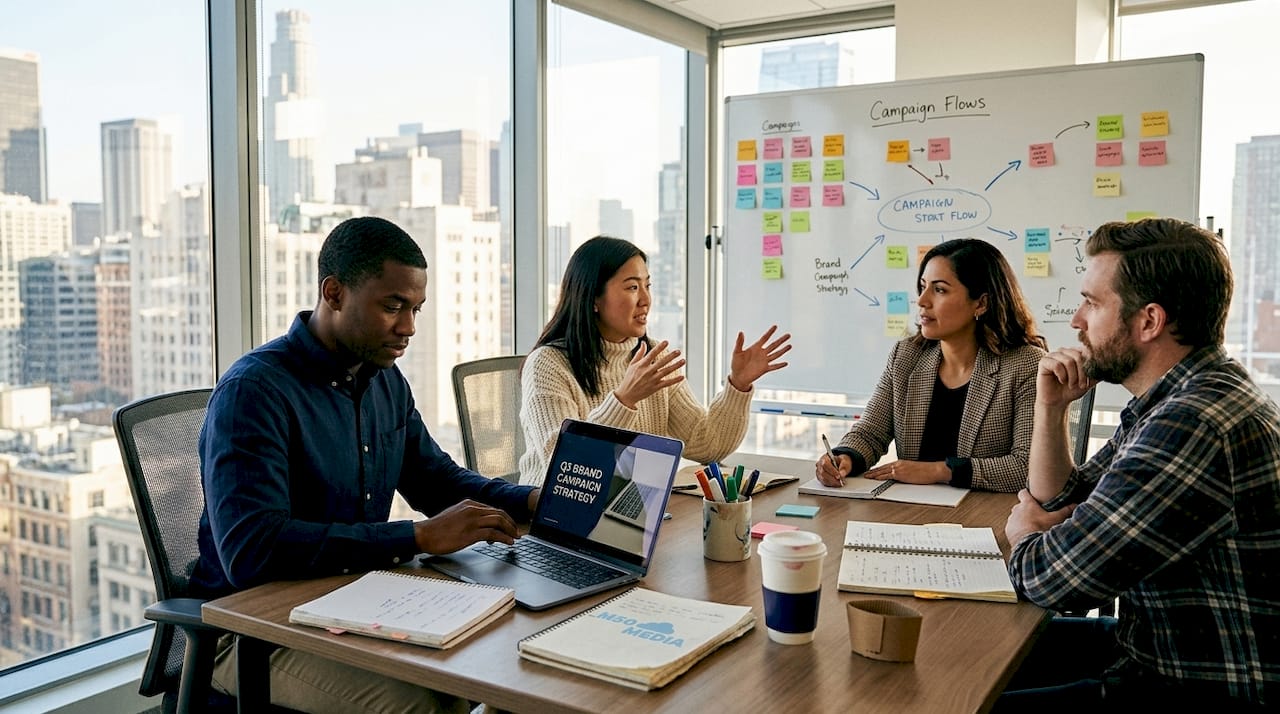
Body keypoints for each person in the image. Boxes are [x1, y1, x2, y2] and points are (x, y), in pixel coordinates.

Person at [193, 216, 539, 713]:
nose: (408, 327)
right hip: (251, 633)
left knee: (501, 669)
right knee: (427, 705)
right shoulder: (255, 392)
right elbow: (252, 550)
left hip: (355, 603)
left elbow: (435, 479)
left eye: (416, 309)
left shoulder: (384, 379)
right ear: (334, 293)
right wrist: (416, 538)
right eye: (393, 306)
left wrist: (532, 500)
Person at [998, 218, 1278, 711]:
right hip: (1155, 647)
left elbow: (1053, 581)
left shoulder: (1192, 424)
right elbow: (1065, 498)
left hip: (1202, 686)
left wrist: (1024, 532)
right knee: (978, 654)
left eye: (1093, 302)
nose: (1076, 320)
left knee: (963, 694)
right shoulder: (1179, 396)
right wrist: (1051, 409)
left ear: (1149, 321)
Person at [519, 235, 791, 487]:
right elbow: (566, 469)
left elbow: (708, 445)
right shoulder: (548, 364)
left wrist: (738, 385)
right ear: (593, 299)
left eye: (647, 286)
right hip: (553, 519)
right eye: (633, 287)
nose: (646, 300)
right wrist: (623, 400)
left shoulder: (652, 358)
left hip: (632, 514)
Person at [815, 238, 1047, 492]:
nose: (922, 301)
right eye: (923, 287)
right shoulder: (906, 356)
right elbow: (870, 433)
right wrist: (844, 457)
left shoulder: (1026, 365)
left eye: (940, 290)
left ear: (981, 303)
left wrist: (940, 471)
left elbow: (1028, 468)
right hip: (912, 511)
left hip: (985, 514)